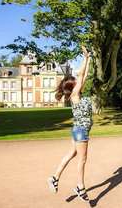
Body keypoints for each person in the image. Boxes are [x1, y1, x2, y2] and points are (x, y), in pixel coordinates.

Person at [47, 46, 92, 202]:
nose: (78, 80)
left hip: (77, 130)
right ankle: (80, 186)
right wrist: (85, 58)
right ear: (72, 85)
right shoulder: (74, 94)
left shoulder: (77, 93)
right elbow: (81, 75)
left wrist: (89, 59)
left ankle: (54, 177)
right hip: (81, 130)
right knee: (82, 159)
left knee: (72, 154)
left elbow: (84, 75)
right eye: (75, 80)